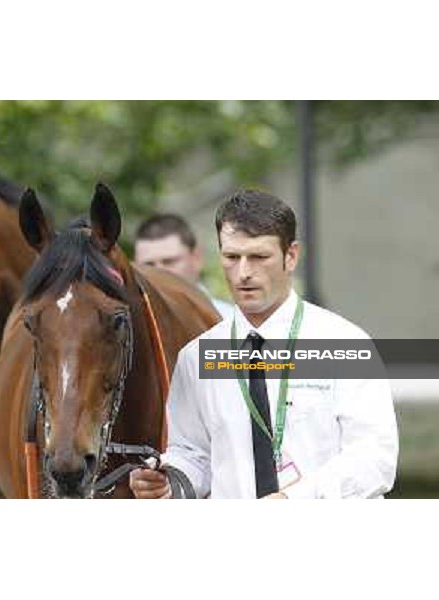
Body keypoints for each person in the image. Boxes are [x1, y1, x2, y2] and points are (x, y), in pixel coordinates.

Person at [130, 189, 399, 499]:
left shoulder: (345, 344)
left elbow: (374, 459)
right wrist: (168, 482)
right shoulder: (197, 357)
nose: (243, 272)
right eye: (232, 257)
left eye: (259, 257)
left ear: (291, 256)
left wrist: (294, 500)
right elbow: (194, 455)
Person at [134, 214, 234, 320]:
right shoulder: (130, 329)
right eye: (148, 265)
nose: (159, 272)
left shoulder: (234, 325)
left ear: (196, 258)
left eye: (169, 262)